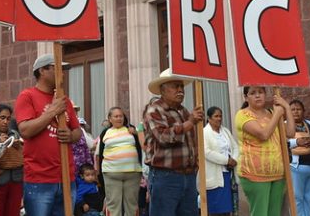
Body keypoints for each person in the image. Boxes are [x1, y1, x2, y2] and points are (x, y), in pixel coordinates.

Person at [15, 53, 82, 216]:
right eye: (57, 68)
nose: (63, 74)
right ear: (42, 71)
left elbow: (78, 131)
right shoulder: (27, 96)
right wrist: (52, 112)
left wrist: (70, 135)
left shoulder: (63, 100)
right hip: (40, 179)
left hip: (67, 177)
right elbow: (25, 130)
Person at [142, 69, 203, 216]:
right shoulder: (154, 110)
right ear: (163, 90)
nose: (180, 90)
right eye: (175, 86)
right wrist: (190, 123)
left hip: (188, 175)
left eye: (181, 87)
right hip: (166, 176)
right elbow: (164, 137)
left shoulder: (184, 111)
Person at [235, 86, 295, 216]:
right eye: (253, 93)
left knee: (274, 213)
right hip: (254, 174)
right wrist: (278, 114)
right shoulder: (242, 115)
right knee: (260, 213)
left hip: (277, 173)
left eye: (261, 92)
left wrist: (287, 108)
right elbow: (263, 134)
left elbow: (290, 132)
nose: (258, 96)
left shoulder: (271, 113)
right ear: (246, 97)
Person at [97, 106, 142, 216]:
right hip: (111, 173)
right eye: (116, 116)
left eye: (121, 116)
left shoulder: (131, 129)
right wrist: (99, 174)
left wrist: (136, 134)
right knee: (113, 205)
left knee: (132, 205)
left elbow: (142, 146)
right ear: (110, 119)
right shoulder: (105, 133)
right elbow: (100, 154)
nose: (119, 118)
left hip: (132, 172)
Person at [288, 100, 310, 216]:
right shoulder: (285, 125)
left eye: (298, 109)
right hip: (296, 167)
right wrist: (297, 142)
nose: (295, 112)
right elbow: (283, 143)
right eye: (292, 109)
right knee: (297, 197)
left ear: (303, 111)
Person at [202, 106, 239, 216]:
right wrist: (226, 160)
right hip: (215, 176)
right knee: (216, 210)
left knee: (228, 209)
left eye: (220, 116)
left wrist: (234, 160)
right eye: (216, 116)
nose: (219, 119)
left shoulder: (225, 131)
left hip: (228, 175)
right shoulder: (205, 132)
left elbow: (235, 147)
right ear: (209, 118)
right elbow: (206, 152)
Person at [0, 104, 23, 216]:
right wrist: (0, 143)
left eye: (8, 119)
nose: (5, 122)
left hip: (16, 180)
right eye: (2, 118)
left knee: (13, 212)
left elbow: (21, 156)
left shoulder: (14, 134)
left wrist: (17, 146)